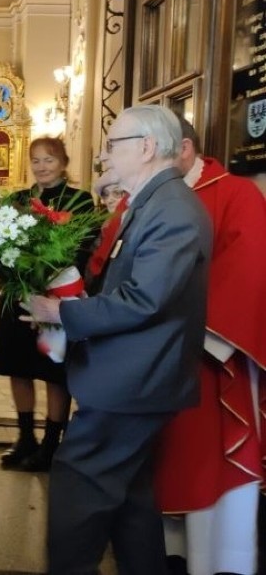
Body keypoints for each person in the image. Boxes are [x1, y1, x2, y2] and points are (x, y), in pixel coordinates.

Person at [21, 104, 212, 575]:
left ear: (146, 148)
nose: (105, 156)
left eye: (113, 146)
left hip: (134, 381)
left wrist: (62, 311)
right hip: (131, 376)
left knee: (78, 487)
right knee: (131, 497)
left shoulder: (173, 212)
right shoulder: (150, 202)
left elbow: (143, 300)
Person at [153, 116, 266, 575]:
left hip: (209, 358)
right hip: (151, 358)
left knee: (208, 468)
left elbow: (249, 270)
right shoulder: (145, 194)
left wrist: (181, 326)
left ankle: (219, 561)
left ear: (183, 148)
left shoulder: (236, 193)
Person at [0, 136, 94, 472]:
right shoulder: (18, 199)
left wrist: (47, 281)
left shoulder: (80, 201)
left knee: (53, 372)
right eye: (35, 161)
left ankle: (51, 445)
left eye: (48, 160)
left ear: (63, 162)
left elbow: (80, 248)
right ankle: (25, 438)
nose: (42, 167)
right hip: (19, 293)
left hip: (55, 297)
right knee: (17, 366)